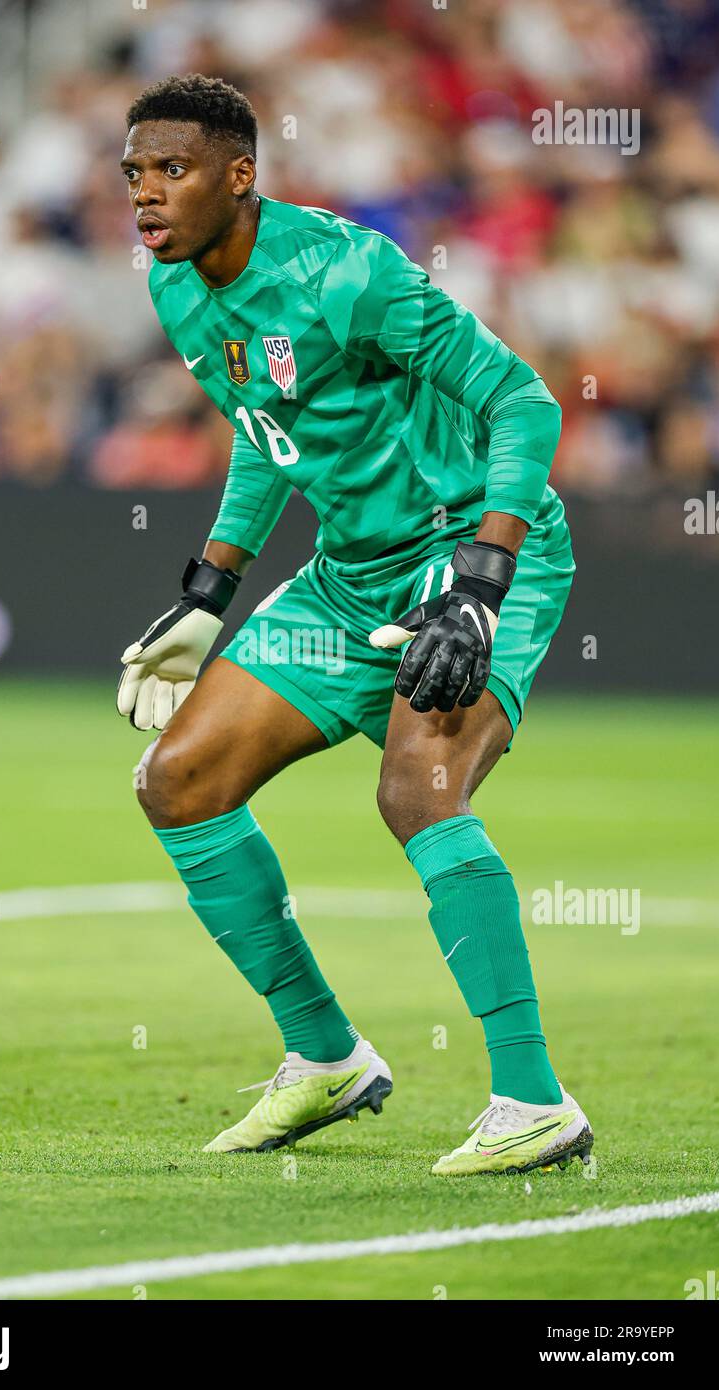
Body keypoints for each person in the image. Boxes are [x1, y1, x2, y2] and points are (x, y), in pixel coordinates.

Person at [117, 74, 593, 1175]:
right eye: (135, 173)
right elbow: (261, 425)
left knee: (417, 790)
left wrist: (479, 581)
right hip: (350, 572)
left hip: (470, 552)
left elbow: (522, 400)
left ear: (241, 176)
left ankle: (532, 1100)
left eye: (172, 171)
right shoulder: (176, 285)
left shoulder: (348, 273)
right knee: (177, 781)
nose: (147, 194)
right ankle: (324, 1056)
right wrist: (210, 588)